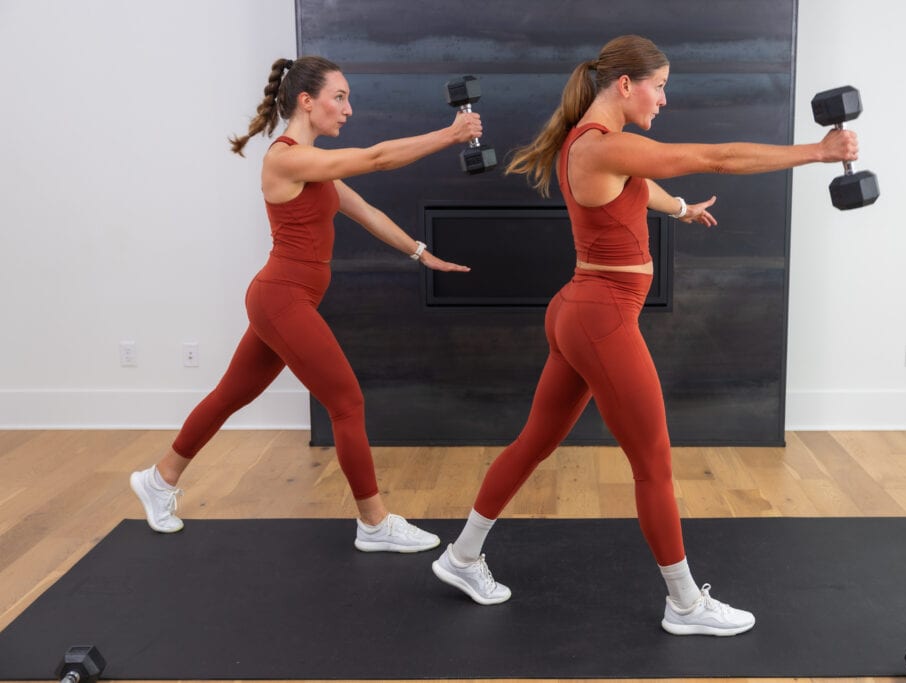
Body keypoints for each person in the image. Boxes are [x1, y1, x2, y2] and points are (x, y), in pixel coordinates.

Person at [430, 35, 858, 634]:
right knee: (653, 463)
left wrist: (680, 208)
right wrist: (816, 151)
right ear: (625, 85)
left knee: (534, 442)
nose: (663, 99)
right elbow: (722, 156)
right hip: (600, 318)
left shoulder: (594, 144)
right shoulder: (600, 147)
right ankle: (685, 605)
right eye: (658, 86)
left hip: (580, 311)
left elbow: (639, 185)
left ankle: (461, 555)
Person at [130, 56, 481, 553]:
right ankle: (374, 523)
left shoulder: (315, 166)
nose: (348, 109)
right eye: (339, 97)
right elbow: (379, 157)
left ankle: (159, 479)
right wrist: (448, 135)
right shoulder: (287, 158)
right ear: (306, 101)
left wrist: (422, 253)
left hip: (284, 299)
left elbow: (367, 212)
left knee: (231, 395)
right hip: (282, 298)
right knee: (347, 402)